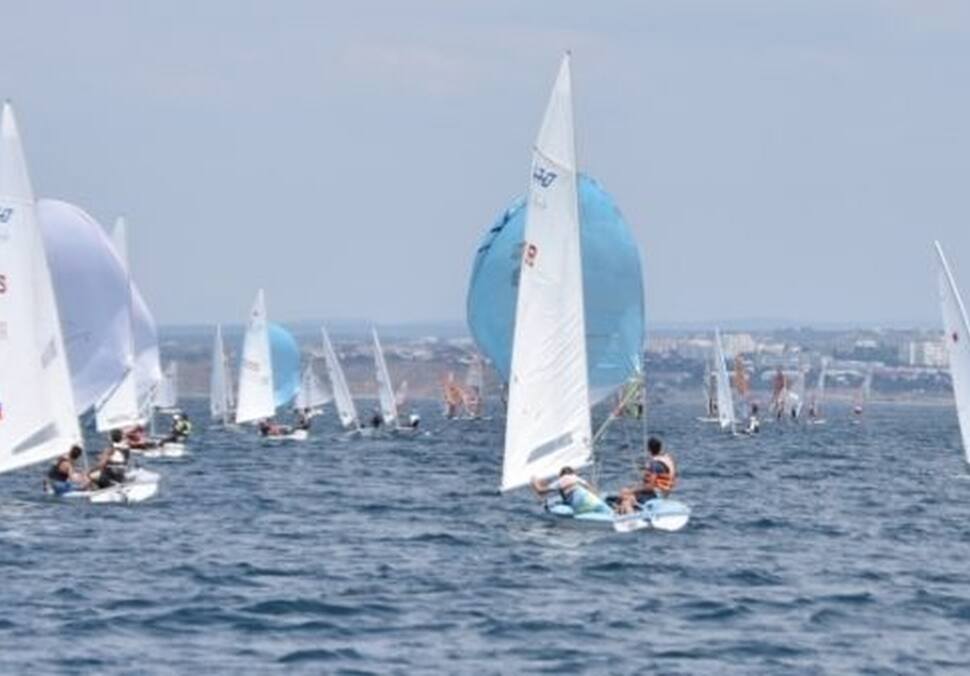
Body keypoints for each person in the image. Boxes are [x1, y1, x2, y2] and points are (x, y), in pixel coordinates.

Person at [616, 437, 677, 514]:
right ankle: (621, 511)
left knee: (626, 500)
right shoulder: (667, 460)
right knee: (624, 490)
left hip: (654, 495)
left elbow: (650, 487)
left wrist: (632, 490)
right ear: (661, 448)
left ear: (649, 449)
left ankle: (632, 521)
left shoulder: (655, 465)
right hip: (663, 494)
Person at [530, 467, 612, 516]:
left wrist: (534, 481)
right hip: (588, 497)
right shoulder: (576, 477)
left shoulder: (561, 480)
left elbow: (540, 491)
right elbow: (591, 489)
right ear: (572, 473)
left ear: (561, 475)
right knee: (609, 512)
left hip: (577, 501)